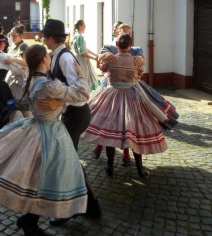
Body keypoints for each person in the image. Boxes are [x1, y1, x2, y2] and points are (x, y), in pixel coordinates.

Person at [0, 44, 94, 236]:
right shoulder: (50, 85)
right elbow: (83, 93)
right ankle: (32, 221)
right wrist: (80, 74)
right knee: (48, 176)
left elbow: (35, 100)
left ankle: (30, 219)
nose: (50, 58)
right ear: (42, 61)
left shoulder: (30, 80)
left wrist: (59, 101)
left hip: (35, 128)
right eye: (47, 56)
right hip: (49, 133)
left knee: (37, 177)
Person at [82, 33, 168, 178]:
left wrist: (106, 55)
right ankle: (140, 169)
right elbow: (140, 75)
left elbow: (102, 68)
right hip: (132, 97)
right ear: (130, 46)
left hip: (112, 96)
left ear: (117, 45)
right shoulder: (137, 60)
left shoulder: (111, 59)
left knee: (109, 131)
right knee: (136, 132)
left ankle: (110, 167)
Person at [41, 18, 101, 226]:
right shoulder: (57, 56)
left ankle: (74, 209)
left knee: (68, 162)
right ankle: (90, 207)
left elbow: (82, 93)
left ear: (50, 38)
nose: (43, 41)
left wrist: (58, 100)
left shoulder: (65, 58)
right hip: (71, 114)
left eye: (44, 37)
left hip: (77, 115)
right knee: (69, 161)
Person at [0, 34, 27, 129]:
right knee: (6, 108)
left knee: (9, 103)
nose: (5, 44)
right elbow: (14, 66)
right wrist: (22, 63)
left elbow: (10, 56)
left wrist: (15, 58)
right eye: (3, 43)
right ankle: (1, 130)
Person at [5, 24, 32, 122]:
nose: (12, 38)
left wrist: (13, 60)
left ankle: (30, 125)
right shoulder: (12, 46)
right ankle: (9, 123)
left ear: (21, 36)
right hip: (12, 78)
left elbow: (27, 63)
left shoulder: (23, 46)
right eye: (10, 35)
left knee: (22, 104)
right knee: (12, 103)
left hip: (21, 79)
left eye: (14, 36)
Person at [71, 20, 99, 89]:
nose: (85, 27)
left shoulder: (76, 35)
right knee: (83, 78)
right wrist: (94, 58)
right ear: (80, 26)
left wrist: (96, 55)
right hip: (81, 60)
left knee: (80, 78)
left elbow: (85, 48)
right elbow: (82, 52)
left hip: (76, 58)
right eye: (84, 25)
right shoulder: (80, 36)